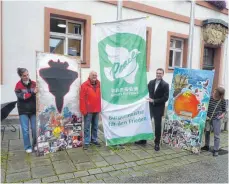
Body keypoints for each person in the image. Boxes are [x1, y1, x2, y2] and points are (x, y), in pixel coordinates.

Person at [136, 68, 169, 151]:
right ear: (156, 73)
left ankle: (157, 143)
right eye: (157, 73)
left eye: (160, 73)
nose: (158, 74)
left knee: (157, 126)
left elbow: (165, 98)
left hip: (158, 108)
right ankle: (143, 140)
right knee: (146, 123)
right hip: (149, 107)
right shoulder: (151, 82)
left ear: (163, 74)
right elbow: (145, 92)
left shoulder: (165, 85)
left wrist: (154, 100)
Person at [15, 68, 37, 153]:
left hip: (33, 110)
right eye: (24, 75)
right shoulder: (18, 85)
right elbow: (23, 97)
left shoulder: (34, 84)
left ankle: (35, 145)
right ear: (20, 76)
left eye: (27, 74)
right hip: (23, 110)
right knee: (25, 130)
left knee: (35, 129)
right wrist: (33, 93)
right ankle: (27, 147)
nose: (26, 77)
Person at [201, 87, 226, 156]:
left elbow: (224, 111)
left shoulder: (222, 101)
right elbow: (205, 106)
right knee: (207, 132)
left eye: (215, 92)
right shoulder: (210, 98)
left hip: (216, 119)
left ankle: (216, 150)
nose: (213, 93)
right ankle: (206, 146)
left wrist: (221, 116)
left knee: (216, 135)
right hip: (208, 118)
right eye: (214, 91)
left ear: (219, 95)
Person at [80, 71, 101, 150]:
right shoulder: (84, 85)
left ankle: (94, 139)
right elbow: (82, 98)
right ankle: (86, 142)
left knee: (95, 126)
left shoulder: (99, 84)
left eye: (95, 75)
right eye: (93, 75)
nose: (94, 76)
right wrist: (83, 109)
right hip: (88, 110)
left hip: (96, 108)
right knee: (87, 127)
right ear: (89, 76)